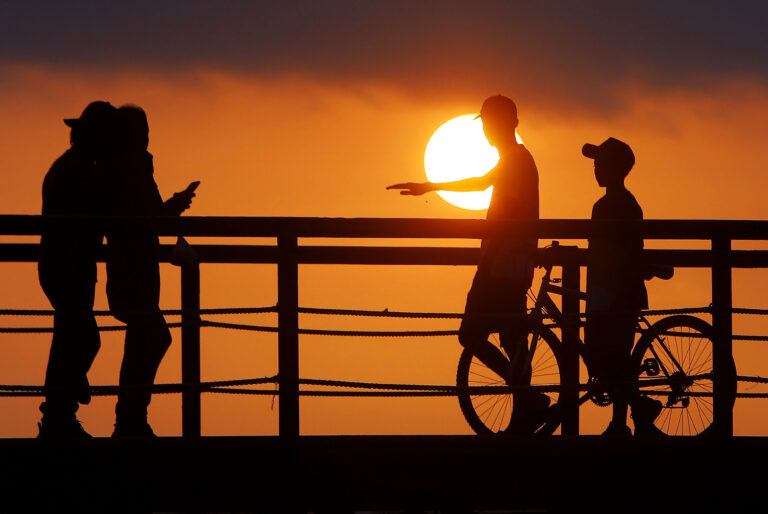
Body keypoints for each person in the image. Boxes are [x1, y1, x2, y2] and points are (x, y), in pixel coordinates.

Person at [388, 95, 550, 434]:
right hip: (512, 265)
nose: (488, 131)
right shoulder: (515, 159)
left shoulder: (516, 160)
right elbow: (483, 183)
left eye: (492, 124)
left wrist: (488, 259)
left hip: (500, 266)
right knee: (512, 338)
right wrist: (430, 186)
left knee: (472, 334)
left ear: (511, 124)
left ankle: (528, 399)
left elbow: (506, 213)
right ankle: (526, 406)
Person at [101, 104, 195, 437]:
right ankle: (130, 419)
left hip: (125, 268)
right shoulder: (135, 167)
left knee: (144, 339)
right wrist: (176, 206)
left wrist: (174, 205)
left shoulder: (113, 169)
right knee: (154, 337)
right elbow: (152, 217)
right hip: (134, 270)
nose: (147, 140)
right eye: (144, 133)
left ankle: (129, 419)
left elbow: (149, 215)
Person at [38, 101, 117, 438]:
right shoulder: (81, 171)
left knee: (73, 337)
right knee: (81, 337)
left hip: (67, 265)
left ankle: (59, 412)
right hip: (69, 266)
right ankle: (60, 412)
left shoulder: (72, 166)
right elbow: (89, 218)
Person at [582, 137, 664, 437]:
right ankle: (634, 413)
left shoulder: (616, 206)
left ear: (616, 168)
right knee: (613, 355)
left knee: (612, 355)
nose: (595, 168)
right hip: (609, 288)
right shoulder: (617, 204)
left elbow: (621, 251)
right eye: (594, 163)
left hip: (616, 289)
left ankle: (626, 418)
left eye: (600, 163)